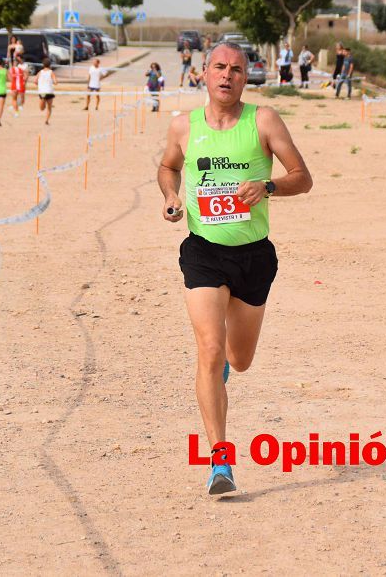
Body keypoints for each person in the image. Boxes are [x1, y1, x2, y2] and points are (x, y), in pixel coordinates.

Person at [157, 41, 313, 496]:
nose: (228, 75)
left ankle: (225, 367)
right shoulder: (183, 126)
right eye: (219, 67)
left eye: (237, 69)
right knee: (209, 349)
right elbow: (168, 167)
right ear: (203, 73)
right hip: (203, 251)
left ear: (247, 77)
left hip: (253, 256)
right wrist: (171, 196)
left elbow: (302, 177)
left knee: (237, 360)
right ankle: (220, 463)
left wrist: (267, 186)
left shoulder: (262, 120)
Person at [37, 56, 57, 125]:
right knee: (49, 107)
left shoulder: (40, 72)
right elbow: (56, 82)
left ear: (43, 65)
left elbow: (35, 81)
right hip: (49, 91)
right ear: (50, 65)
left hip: (42, 91)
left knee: (42, 108)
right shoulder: (51, 72)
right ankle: (47, 120)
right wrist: (53, 82)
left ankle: (43, 99)